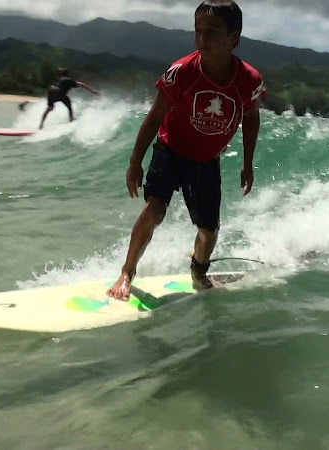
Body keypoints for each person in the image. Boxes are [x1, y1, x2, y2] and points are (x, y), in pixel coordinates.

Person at [107, 0, 265, 300]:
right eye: (198, 30)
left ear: (234, 36)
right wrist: (135, 161)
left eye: (212, 31)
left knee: (209, 230)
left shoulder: (249, 80)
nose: (202, 38)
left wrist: (248, 162)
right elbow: (155, 115)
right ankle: (127, 272)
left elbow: (251, 118)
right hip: (171, 149)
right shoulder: (182, 71)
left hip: (206, 160)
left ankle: (199, 271)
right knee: (155, 210)